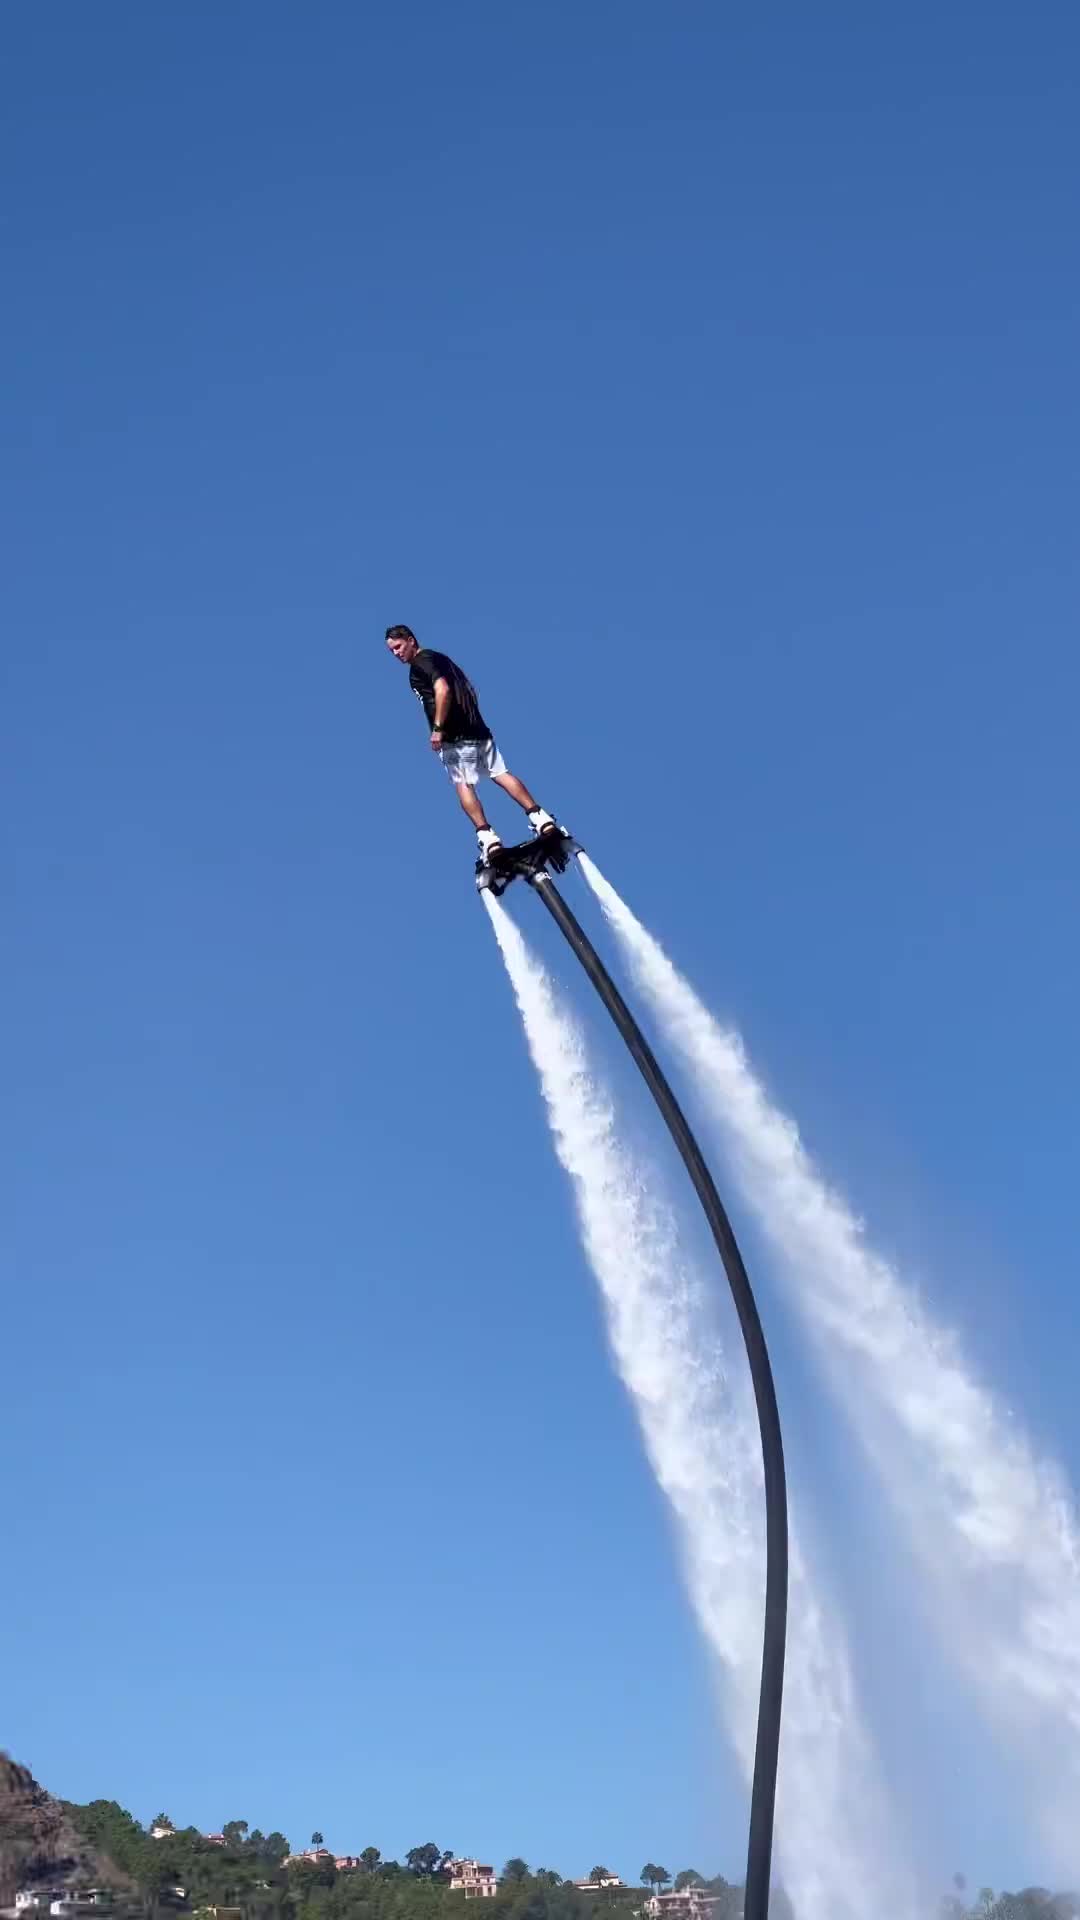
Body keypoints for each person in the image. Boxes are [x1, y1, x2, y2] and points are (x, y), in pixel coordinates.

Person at [385, 624, 563, 864]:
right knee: (500, 773)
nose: (396, 654)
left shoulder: (420, 664)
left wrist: (438, 729)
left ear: (411, 640)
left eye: (398, 647)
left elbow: (443, 689)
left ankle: (488, 837)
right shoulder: (441, 658)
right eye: (392, 651)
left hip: (454, 736)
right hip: (477, 729)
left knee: (463, 783)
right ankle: (540, 818)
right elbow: (468, 688)